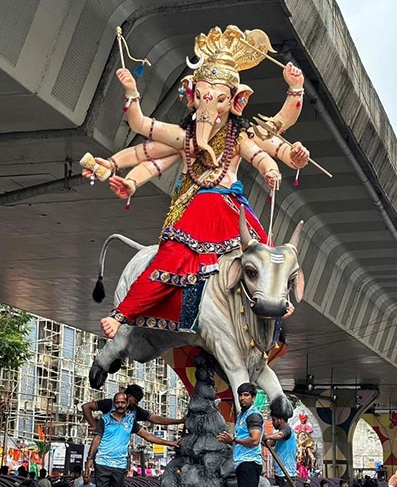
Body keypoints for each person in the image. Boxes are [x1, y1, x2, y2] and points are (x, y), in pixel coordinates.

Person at [82, 25, 310, 339]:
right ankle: (124, 314)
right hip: (196, 209)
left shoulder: (240, 136)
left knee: (263, 255)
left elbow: (275, 135)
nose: (208, 107)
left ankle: (275, 303)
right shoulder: (184, 138)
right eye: (202, 98)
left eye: (217, 100)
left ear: (235, 102)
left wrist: (294, 92)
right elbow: (143, 136)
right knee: (169, 260)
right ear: (192, 97)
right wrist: (132, 95)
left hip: (229, 208)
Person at [85, 391, 178, 487]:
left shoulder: (130, 421)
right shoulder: (105, 419)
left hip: (119, 465)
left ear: (127, 403)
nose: (120, 405)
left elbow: (148, 436)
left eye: (123, 402)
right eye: (117, 403)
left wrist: (170, 443)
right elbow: (97, 439)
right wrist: (90, 458)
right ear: (114, 403)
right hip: (102, 464)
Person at [82, 383, 185, 430]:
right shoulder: (109, 404)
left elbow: (156, 419)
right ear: (128, 396)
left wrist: (178, 421)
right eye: (135, 401)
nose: (136, 404)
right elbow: (86, 407)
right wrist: (94, 425)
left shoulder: (135, 411)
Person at [217, 382, 264, 487]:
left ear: (253, 398)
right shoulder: (241, 415)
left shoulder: (253, 416)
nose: (242, 398)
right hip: (241, 463)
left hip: (249, 462)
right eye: (240, 395)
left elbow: (255, 440)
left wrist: (233, 440)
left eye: (246, 395)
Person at [264, 412, 297, 487]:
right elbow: (270, 443)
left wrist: (267, 436)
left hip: (286, 473)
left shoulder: (287, 429)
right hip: (279, 472)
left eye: (274, 420)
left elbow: (280, 435)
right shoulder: (278, 433)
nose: (272, 423)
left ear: (280, 420)